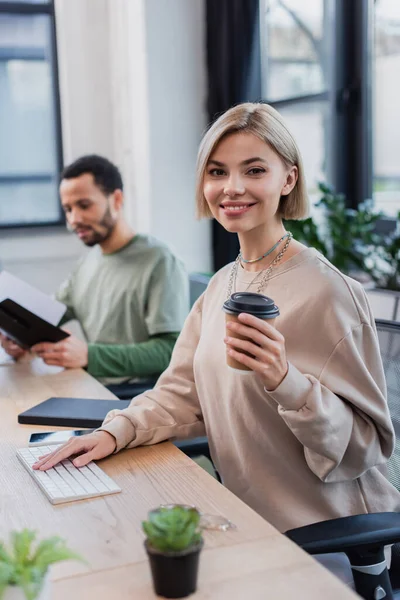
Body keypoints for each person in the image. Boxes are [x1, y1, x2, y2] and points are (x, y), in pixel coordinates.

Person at [33, 104, 400, 532]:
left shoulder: (330, 292)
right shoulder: (222, 284)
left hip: (327, 531)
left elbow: (368, 445)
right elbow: (178, 392)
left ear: (289, 179)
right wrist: (114, 432)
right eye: (217, 171)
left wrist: (286, 380)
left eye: (255, 170)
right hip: (244, 516)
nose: (232, 187)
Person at [0, 155, 188, 385]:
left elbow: (169, 351)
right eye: (68, 209)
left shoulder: (160, 260)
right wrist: (18, 338)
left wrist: (89, 355)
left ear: (116, 200)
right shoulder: (88, 263)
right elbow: (47, 317)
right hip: (93, 386)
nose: (73, 220)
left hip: (136, 399)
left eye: (84, 205)